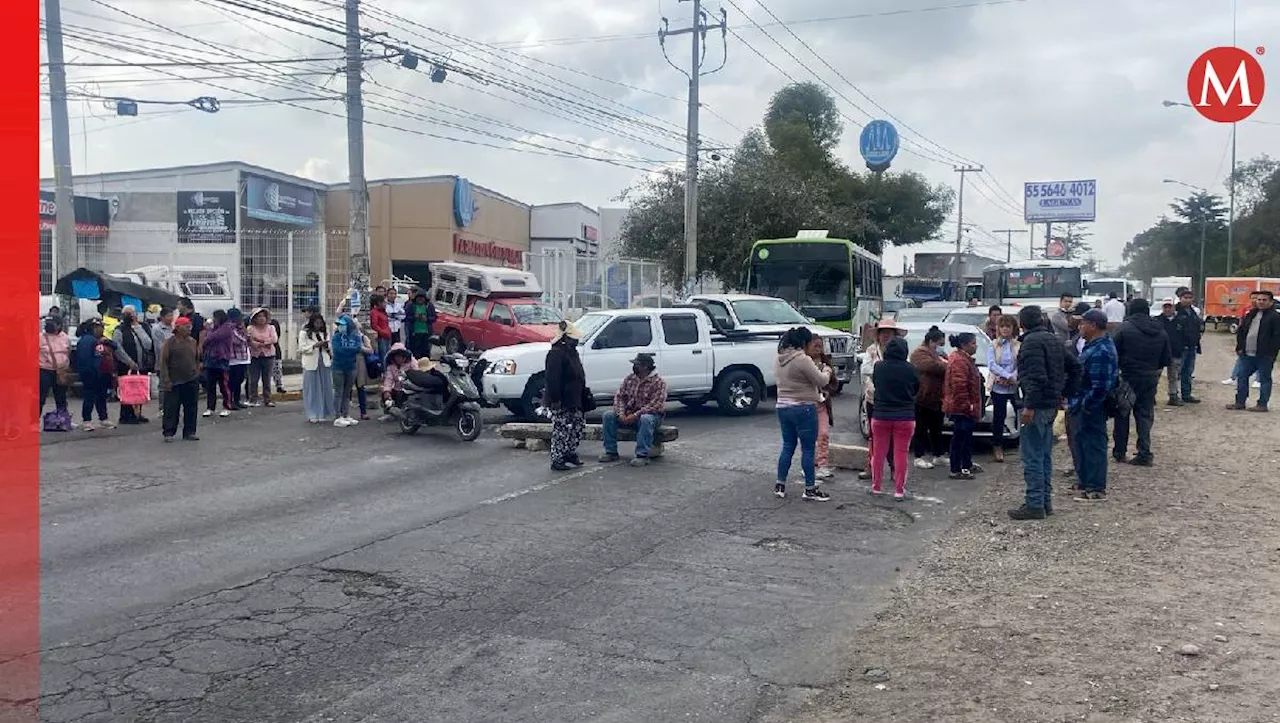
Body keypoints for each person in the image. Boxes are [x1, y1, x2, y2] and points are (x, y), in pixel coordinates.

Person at [1010, 305, 1079, 520]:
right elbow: (1076, 368)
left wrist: (1029, 406)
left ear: (1022, 324)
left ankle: (1034, 504)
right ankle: (1045, 502)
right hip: (1051, 404)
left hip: (1037, 405)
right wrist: (1064, 393)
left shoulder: (1030, 343)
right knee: (1045, 455)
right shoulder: (1054, 340)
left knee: (1032, 455)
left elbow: (1035, 378)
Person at [773, 327, 833, 501]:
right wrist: (827, 370)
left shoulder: (778, 358)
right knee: (807, 449)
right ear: (804, 343)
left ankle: (780, 485)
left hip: (783, 406)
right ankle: (810, 488)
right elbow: (821, 380)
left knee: (788, 446)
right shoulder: (802, 359)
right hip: (803, 407)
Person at [1112, 299, 1171, 465]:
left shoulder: (1124, 328)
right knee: (1145, 415)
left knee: (1122, 414)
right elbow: (1166, 358)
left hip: (1128, 377)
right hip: (1151, 376)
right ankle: (1144, 452)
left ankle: (1120, 452)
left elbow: (1113, 354)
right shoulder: (1160, 330)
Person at [1069, 309, 1117, 501]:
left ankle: (1096, 488)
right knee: (1082, 443)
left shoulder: (1101, 350)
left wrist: (1086, 404)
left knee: (1094, 445)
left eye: (1083, 323)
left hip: (1092, 406)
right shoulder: (1092, 346)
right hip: (1082, 402)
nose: (1080, 327)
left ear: (1093, 325)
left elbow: (1100, 386)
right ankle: (1085, 481)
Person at [870, 337, 919, 500]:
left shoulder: (879, 367)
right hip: (905, 416)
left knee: (878, 452)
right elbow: (916, 388)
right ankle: (899, 490)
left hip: (880, 415)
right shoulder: (911, 369)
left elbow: (875, 384)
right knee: (901, 453)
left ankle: (876, 486)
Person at [600, 352, 667, 467]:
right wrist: (621, 413)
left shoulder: (659, 382)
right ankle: (611, 452)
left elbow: (655, 405)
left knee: (646, 419)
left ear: (645, 367)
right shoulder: (630, 378)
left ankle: (642, 455)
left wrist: (636, 415)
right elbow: (619, 397)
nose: (635, 367)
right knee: (608, 415)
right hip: (628, 414)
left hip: (650, 416)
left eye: (638, 365)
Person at [858, 319, 903, 481]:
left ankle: (893, 468)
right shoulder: (871, 351)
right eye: (883, 333)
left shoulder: (900, 351)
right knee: (873, 435)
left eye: (889, 333)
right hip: (873, 399)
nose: (885, 336)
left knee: (893, 437)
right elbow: (865, 371)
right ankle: (871, 467)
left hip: (893, 400)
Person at [545, 320, 588, 471]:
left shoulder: (572, 352)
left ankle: (569, 453)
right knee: (561, 430)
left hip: (575, 398)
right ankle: (557, 458)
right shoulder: (555, 354)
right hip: (562, 399)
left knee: (576, 427)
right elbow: (552, 379)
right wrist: (555, 399)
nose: (576, 341)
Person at [1229, 289, 1279, 413]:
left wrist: (1271, 353)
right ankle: (1240, 402)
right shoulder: (1250, 314)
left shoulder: (1275, 317)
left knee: (1264, 379)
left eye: (1264, 300)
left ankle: (1262, 404)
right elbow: (1241, 332)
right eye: (1259, 299)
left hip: (1264, 356)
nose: (1261, 302)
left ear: (1271, 302)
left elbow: (1277, 337)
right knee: (1241, 376)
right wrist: (1240, 347)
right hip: (1247, 354)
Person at [943, 331, 982, 480]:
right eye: (973, 343)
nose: (975, 346)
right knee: (960, 437)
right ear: (964, 345)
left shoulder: (964, 359)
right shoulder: (959, 361)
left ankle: (966, 464)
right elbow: (959, 385)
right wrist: (967, 405)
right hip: (961, 408)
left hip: (964, 406)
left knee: (966, 437)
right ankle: (956, 468)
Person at [909, 325, 948, 470]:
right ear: (931, 341)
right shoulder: (919, 353)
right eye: (939, 344)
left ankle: (938, 455)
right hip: (922, 397)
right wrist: (944, 363)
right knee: (921, 428)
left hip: (937, 397)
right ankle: (919, 456)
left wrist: (944, 361)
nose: (941, 347)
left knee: (936, 428)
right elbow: (932, 367)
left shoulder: (938, 354)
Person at [158, 316, 201, 442]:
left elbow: (197, 358)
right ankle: (169, 432)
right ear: (178, 328)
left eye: (189, 326)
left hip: (191, 379)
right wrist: (166, 379)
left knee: (191, 408)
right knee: (171, 408)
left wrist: (196, 371)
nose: (189, 329)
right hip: (174, 380)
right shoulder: (170, 342)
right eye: (186, 326)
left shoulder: (193, 342)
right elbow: (164, 362)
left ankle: (189, 432)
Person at [987, 314, 1020, 463]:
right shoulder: (994, 345)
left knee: (1020, 414)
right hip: (998, 385)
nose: (1005, 329)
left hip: (1014, 386)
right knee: (999, 417)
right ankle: (997, 446)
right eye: (1002, 326)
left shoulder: (1017, 345)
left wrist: (1012, 377)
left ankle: (1022, 444)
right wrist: (1005, 376)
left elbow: (1020, 364)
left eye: (1008, 326)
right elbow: (992, 364)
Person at [112, 306, 153, 425]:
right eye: (127, 314)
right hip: (126, 366)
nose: (130, 316)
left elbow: (148, 344)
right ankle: (126, 415)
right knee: (128, 389)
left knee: (139, 389)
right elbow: (118, 348)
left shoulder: (143, 326)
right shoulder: (119, 330)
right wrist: (128, 361)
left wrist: (137, 327)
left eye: (132, 314)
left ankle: (137, 413)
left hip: (141, 364)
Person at [74, 320, 117, 431]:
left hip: (102, 374)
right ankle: (86, 420)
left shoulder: (100, 340)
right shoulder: (87, 340)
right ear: (94, 328)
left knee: (101, 397)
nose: (102, 329)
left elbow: (115, 346)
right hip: (91, 374)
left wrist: (106, 341)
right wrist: (90, 372)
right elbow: (85, 359)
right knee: (89, 397)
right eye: (101, 327)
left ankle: (103, 418)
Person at [299, 313, 336, 424]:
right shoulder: (304, 333)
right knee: (312, 389)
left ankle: (323, 412)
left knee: (325, 388)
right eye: (316, 323)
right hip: (311, 363)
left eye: (320, 323)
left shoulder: (324, 332)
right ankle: (312, 413)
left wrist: (325, 345)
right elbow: (302, 348)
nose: (318, 325)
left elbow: (330, 347)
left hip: (324, 362)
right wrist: (314, 346)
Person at [331, 314, 367, 427]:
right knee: (339, 392)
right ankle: (338, 416)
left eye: (343, 325)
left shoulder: (355, 336)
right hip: (338, 367)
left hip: (351, 367)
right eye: (339, 325)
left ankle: (345, 414)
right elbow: (337, 350)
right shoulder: (336, 337)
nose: (340, 327)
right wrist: (351, 350)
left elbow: (357, 348)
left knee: (347, 393)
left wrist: (349, 350)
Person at [1221, 292, 1263, 389]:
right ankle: (1233, 377)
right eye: (1252, 298)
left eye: (1257, 298)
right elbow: (1242, 325)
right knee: (1241, 360)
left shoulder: (1264, 312)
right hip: (1246, 341)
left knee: (1259, 361)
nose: (1254, 300)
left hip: (1258, 342)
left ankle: (1258, 380)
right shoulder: (1247, 310)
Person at [201, 310, 236, 418]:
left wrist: (209, 329)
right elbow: (206, 340)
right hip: (210, 359)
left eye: (215, 317)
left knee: (223, 385)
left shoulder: (227, 328)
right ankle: (210, 408)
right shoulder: (214, 328)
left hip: (222, 359)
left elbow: (212, 337)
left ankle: (227, 406)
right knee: (210, 386)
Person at [1172, 287, 1203, 404]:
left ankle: (1186, 394)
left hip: (1192, 346)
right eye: (1185, 298)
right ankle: (1174, 395)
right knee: (1176, 373)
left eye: (1190, 298)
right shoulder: (1175, 311)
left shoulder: (1193, 312)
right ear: (1180, 298)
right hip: (1180, 348)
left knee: (1188, 372)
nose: (1188, 300)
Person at [1156, 298, 1188, 407]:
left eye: (1170, 306)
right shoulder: (1156, 321)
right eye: (1165, 307)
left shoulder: (1181, 320)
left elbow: (1185, 335)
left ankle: (1173, 396)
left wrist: (1184, 346)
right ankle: (1151, 396)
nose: (1168, 309)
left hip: (1175, 352)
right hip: (1159, 353)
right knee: (1156, 376)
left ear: (1174, 307)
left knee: (1173, 376)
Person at [39, 315, 72, 417]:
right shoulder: (40, 337)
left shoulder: (65, 337)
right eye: (47, 323)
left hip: (61, 371)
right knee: (40, 398)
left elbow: (68, 351)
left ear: (59, 325)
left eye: (51, 324)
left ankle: (63, 419)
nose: (48, 326)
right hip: (44, 370)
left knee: (61, 396)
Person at [813, 349, 839, 480]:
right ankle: (809, 465)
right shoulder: (804, 363)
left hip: (822, 405)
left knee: (823, 434)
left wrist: (828, 391)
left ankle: (822, 465)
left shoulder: (826, 365)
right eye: (814, 345)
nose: (817, 349)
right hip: (808, 405)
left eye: (820, 346)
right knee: (809, 437)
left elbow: (834, 384)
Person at [246, 308, 279, 407]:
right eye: (259, 317)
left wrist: (260, 342)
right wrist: (263, 342)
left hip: (268, 356)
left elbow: (274, 339)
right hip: (254, 356)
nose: (261, 319)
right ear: (254, 319)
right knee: (253, 379)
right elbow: (250, 341)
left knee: (267, 379)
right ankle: (253, 399)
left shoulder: (271, 328)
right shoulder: (250, 328)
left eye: (263, 316)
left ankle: (267, 399)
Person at [380, 343, 417, 415]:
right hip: (397, 388)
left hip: (410, 388)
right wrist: (387, 391)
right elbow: (389, 380)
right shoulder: (391, 366)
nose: (398, 358)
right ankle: (389, 411)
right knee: (384, 393)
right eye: (396, 356)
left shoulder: (412, 363)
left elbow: (416, 375)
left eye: (400, 356)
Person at [226, 308, 251, 409]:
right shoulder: (229, 328)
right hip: (233, 358)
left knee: (240, 379)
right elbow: (238, 340)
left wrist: (244, 331)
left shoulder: (241, 327)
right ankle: (230, 401)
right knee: (232, 381)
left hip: (243, 357)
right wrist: (246, 337)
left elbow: (247, 338)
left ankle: (237, 400)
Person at [405, 291, 436, 360]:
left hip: (426, 332)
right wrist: (415, 317)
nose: (420, 299)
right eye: (418, 298)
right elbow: (406, 317)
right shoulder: (411, 305)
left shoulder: (429, 305)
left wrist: (427, 319)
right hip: (414, 332)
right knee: (415, 351)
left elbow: (434, 317)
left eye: (422, 298)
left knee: (425, 352)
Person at [370, 293, 393, 361]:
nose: (385, 304)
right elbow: (374, 325)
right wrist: (382, 332)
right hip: (382, 337)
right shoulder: (374, 312)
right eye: (384, 302)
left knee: (388, 355)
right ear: (379, 303)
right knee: (383, 356)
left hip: (387, 335)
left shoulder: (383, 312)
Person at [270, 315, 286, 395]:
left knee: (277, 368)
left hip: (275, 349)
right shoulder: (257, 324)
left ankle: (279, 386)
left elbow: (277, 335)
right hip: (262, 351)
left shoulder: (274, 323)